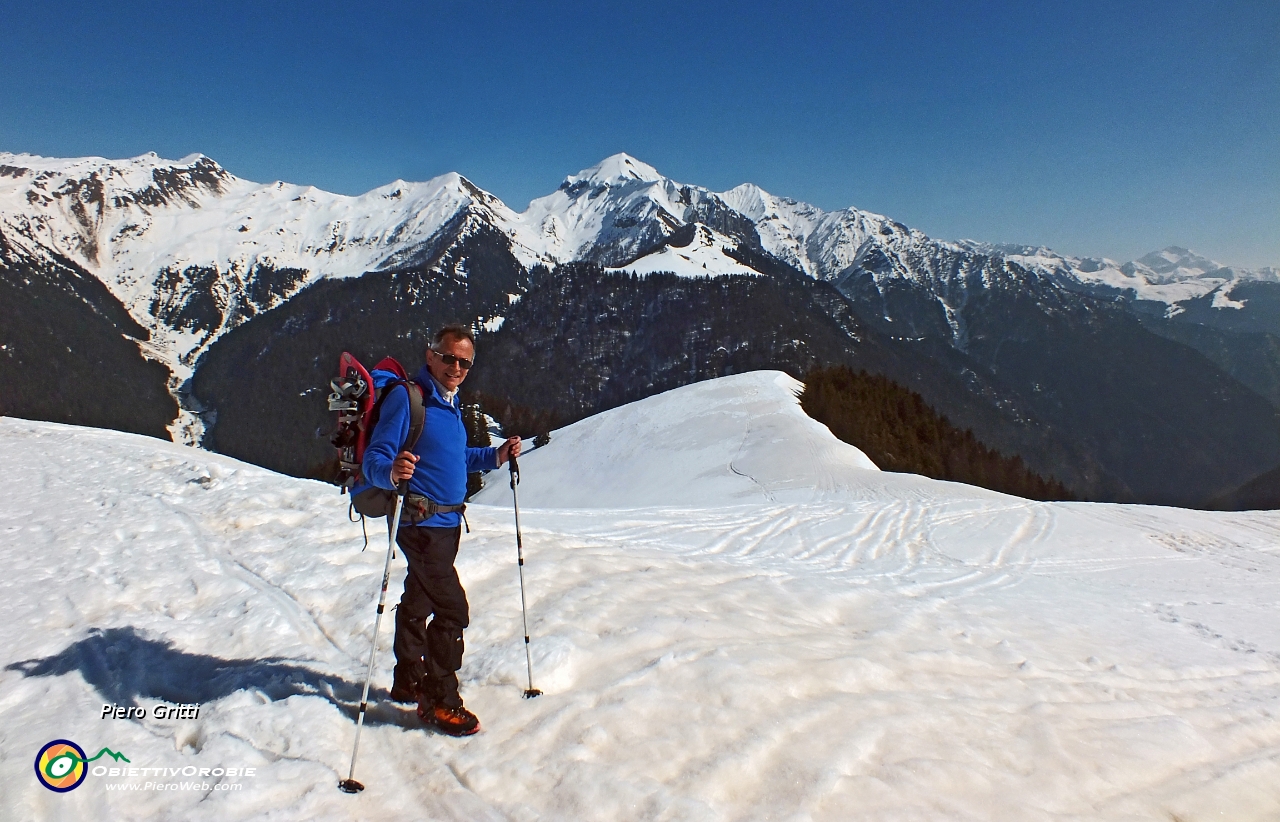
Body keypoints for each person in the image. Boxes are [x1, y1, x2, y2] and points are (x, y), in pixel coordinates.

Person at [361, 324, 520, 736]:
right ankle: (439, 699)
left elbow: (455, 456)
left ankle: (408, 678)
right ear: (430, 355)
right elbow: (374, 459)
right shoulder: (408, 398)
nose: (456, 367)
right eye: (449, 357)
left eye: (464, 362)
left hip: (446, 523)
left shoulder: (449, 404)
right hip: (420, 524)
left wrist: (495, 455)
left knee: (418, 597)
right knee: (452, 609)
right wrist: (390, 471)